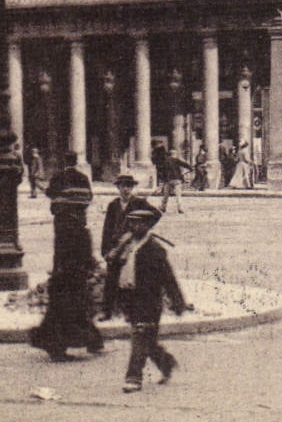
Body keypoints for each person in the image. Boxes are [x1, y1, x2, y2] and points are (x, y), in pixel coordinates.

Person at [110, 203, 191, 392]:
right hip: (130, 298)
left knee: (140, 335)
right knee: (147, 339)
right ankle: (166, 363)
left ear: (148, 226)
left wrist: (177, 302)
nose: (135, 227)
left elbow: (168, 277)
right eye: (132, 223)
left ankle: (133, 378)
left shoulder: (154, 249)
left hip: (148, 300)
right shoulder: (127, 245)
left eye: (140, 224)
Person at [30, 152, 103, 361]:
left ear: (64, 161)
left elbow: (52, 195)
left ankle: (63, 343)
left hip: (62, 255)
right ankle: (89, 340)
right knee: (78, 300)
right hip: (77, 262)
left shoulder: (59, 181)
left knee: (62, 301)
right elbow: (87, 198)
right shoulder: (82, 181)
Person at [101, 173, 151, 316]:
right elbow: (107, 229)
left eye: (129, 186)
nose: (126, 190)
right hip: (115, 245)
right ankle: (107, 312)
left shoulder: (139, 203)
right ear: (118, 187)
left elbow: (156, 214)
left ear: (132, 188)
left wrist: (141, 230)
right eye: (123, 186)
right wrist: (105, 250)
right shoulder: (113, 205)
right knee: (111, 278)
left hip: (131, 246)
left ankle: (130, 312)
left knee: (130, 278)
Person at [153, 144, 186, 214]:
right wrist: (191, 169)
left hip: (169, 180)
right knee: (178, 195)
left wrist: (163, 179)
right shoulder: (177, 160)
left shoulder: (166, 161)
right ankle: (180, 208)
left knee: (166, 195)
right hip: (177, 180)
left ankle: (163, 207)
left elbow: (163, 171)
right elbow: (185, 164)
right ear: (174, 154)